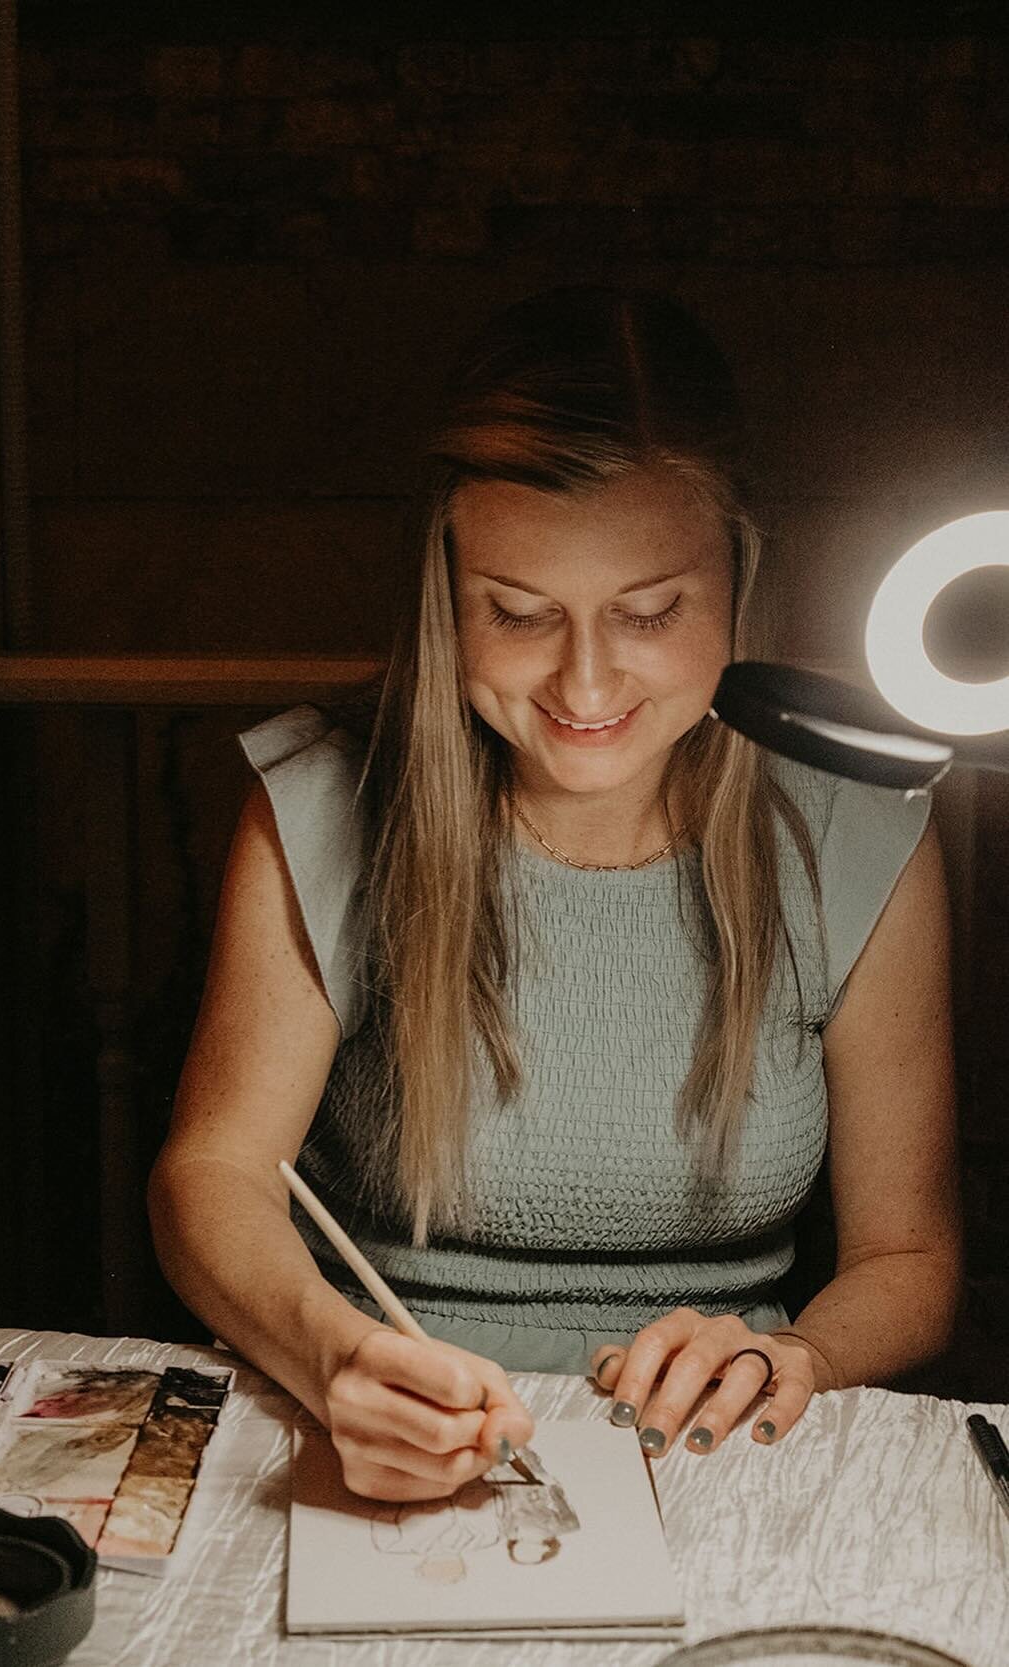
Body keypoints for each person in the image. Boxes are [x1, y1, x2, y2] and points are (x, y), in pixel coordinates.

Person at [147, 288, 961, 1503]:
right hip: (371, 1425)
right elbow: (206, 1175)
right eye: (517, 613)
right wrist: (335, 1359)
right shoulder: (320, 804)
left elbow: (910, 1254)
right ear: (445, 596)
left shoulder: (858, 835)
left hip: (722, 1451)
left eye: (647, 611)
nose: (584, 680)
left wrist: (792, 1352)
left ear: (739, 575)